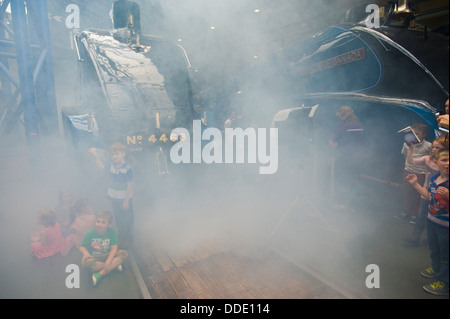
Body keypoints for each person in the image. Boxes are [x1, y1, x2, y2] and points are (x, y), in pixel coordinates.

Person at [405, 148, 449, 296]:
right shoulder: (434, 179)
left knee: (446, 255)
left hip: (446, 227)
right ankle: (436, 270)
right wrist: (415, 184)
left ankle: (444, 282)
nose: (448, 163)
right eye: (444, 160)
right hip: (432, 222)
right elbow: (429, 196)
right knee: (434, 249)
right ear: (436, 162)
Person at [403, 137, 448, 246]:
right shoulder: (428, 159)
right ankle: (415, 238)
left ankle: (433, 240)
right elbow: (410, 161)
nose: (434, 149)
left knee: (437, 217)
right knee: (421, 215)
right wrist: (411, 149)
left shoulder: (445, 163)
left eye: (438, 147)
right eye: (433, 147)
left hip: (441, 193)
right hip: (426, 190)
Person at [90, 142, 134, 250]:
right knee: (119, 219)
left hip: (124, 199)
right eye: (113, 154)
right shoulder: (111, 165)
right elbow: (101, 167)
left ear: (123, 154)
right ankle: (121, 239)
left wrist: (126, 201)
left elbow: (130, 185)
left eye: (117, 154)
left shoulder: (127, 168)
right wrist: (95, 155)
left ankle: (128, 241)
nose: (114, 156)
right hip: (114, 198)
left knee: (127, 220)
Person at [80, 211, 128, 286]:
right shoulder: (90, 233)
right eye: (98, 221)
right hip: (95, 257)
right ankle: (114, 267)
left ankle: (99, 274)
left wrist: (108, 262)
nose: (99, 225)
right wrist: (86, 253)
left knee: (124, 253)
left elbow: (114, 249)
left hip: (108, 255)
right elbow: (82, 246)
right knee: (86, 264)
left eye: (103, 222)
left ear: (109, 224)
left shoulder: (111, 232)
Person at [329, 105, 364, 209]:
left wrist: (331, 143)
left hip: (343, 157)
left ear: (341, 114)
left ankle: (341, 203)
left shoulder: (341, 125)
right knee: (354, 180)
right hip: (357, 157)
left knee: (343, 179)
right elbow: (362, 141)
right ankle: (352, 205)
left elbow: (333, 143)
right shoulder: (359, 125)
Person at [395, 124, 431, 223]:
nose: (415, 135)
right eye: (413, 133)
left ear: (424, 134)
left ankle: (415, 215)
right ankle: (405, 212)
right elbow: (405, 156)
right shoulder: (406, 144)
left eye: (417, 134)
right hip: (408, 170)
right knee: (406, 192)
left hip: (420, 173)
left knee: (418, 195)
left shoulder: (428, 146)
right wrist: (407, 167)